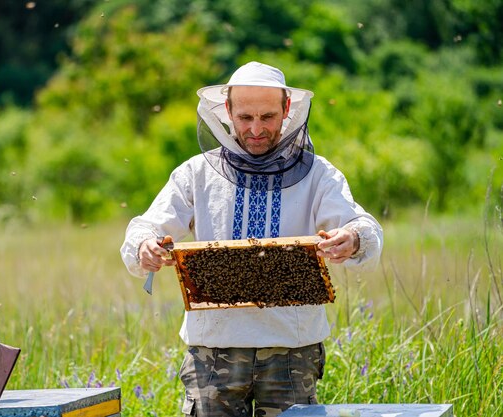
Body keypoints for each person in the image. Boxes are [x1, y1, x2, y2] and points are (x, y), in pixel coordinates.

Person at [120, 61, 383, 417]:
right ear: (227, 112)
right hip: (213, 352)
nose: (256, 129)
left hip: (292, 351)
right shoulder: (195, 173)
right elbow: (144, 227)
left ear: (287, 110)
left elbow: (364, 227)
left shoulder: (320, 175)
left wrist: (351, 238)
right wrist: (145, 247)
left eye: (268, 117)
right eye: (245, 118)